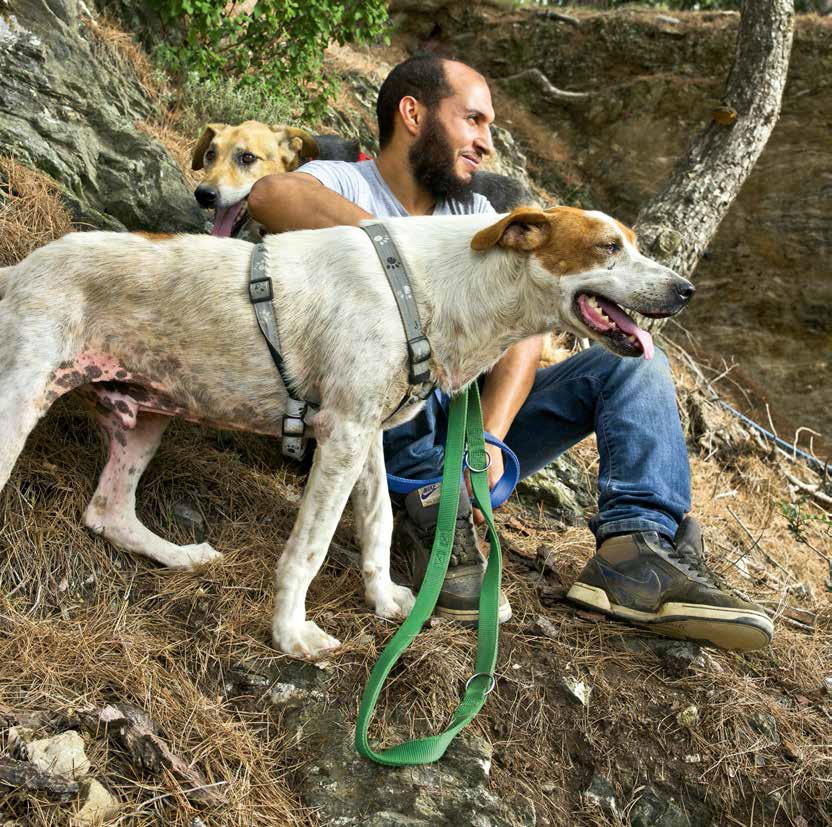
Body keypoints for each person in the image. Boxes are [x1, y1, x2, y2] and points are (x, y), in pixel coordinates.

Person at [247, 55, 773, 651]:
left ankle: (637, 550)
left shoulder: (476, 213)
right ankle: (433, 513)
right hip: (372, 410)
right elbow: (270, 196)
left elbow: (525, 331)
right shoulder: (347, 181)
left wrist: (489, 442)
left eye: (489, 127)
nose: (486, 144)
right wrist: (404, 257)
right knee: (401, 361)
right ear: (414, 114)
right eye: (473, 120)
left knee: (634, 365)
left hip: (467, 426)